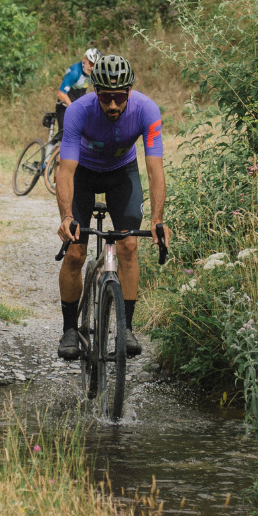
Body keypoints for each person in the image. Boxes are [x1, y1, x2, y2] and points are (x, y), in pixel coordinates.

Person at [52, 53, 169, 361]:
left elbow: (155, 169)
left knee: (129, 244)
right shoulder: (79, 111)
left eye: (119, 97)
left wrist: (157, 219)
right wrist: (66, 217)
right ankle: (68, 329)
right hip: (84, 174)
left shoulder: (147, 110)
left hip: (121, 174)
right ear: (95, 92)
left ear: (129, 91)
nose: (113, 105)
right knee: (76, 249)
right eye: (106, 97)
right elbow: (65, 172)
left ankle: (126, 328)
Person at [53, 47, 100, 128]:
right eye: (91, 64)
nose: (91, 68)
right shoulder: (74, 73)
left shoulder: (90, 72)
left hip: (77, 106)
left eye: (94, 66)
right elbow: (61, 94)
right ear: (84, 59)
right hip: (64, 107)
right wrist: (73, 108)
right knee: (67, 134)